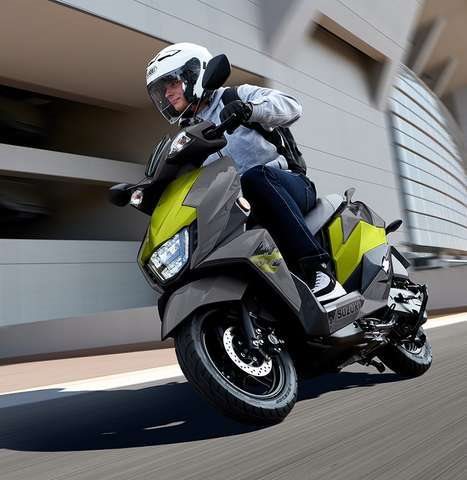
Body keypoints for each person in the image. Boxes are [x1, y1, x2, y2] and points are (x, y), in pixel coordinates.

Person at [146, 42, 346, 303]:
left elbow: (292, 106)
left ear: (194, 75)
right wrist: (146, 189)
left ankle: (317, 270)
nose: (167, 93)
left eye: (172, 83)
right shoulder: (189, 135)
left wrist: (250, 110)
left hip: (288, 184)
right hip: (241, 206)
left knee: (254, 178)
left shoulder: (233, 97)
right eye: (162, 89)